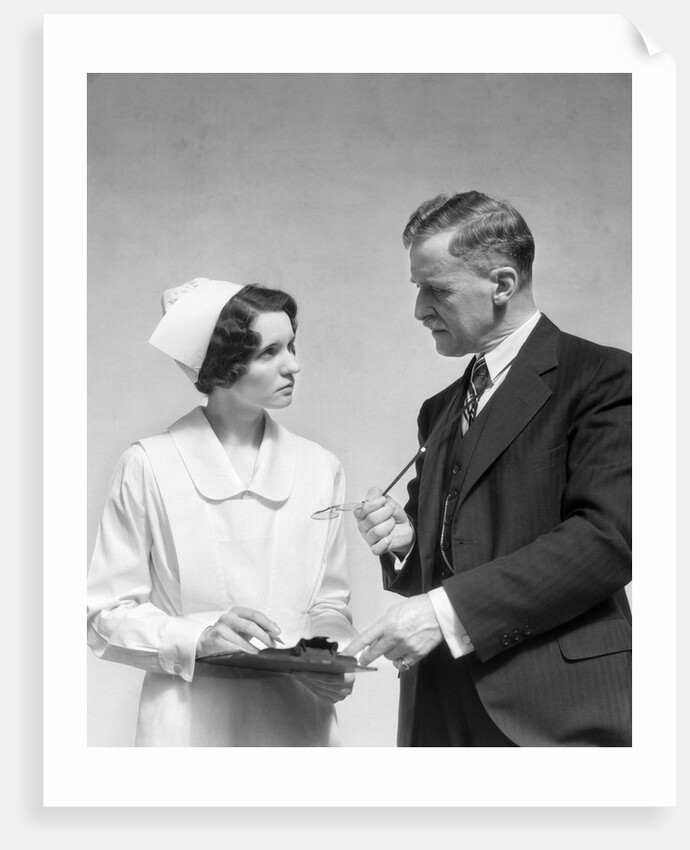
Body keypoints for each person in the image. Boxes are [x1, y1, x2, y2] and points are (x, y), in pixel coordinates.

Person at [345, 191, 632, 747]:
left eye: (437, 289)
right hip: (440, 713)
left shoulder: (604, 378)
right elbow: (451, 558)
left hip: (558, 712)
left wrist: (445, 612)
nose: (420, 310)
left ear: (502, 284)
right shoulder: (440, 409)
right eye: (417, 288)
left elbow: (606, 539)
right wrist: (407, 543)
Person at [88, 277, 357, 746]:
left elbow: (329, 604)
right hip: (189, 722)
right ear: (223, 365)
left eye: (291, 345)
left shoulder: (320, 467)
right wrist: (198, 638)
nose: (294, 365)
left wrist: (336, 655)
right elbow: (105, 614)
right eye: (269, 352)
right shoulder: (149, 465)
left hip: (301, 720)